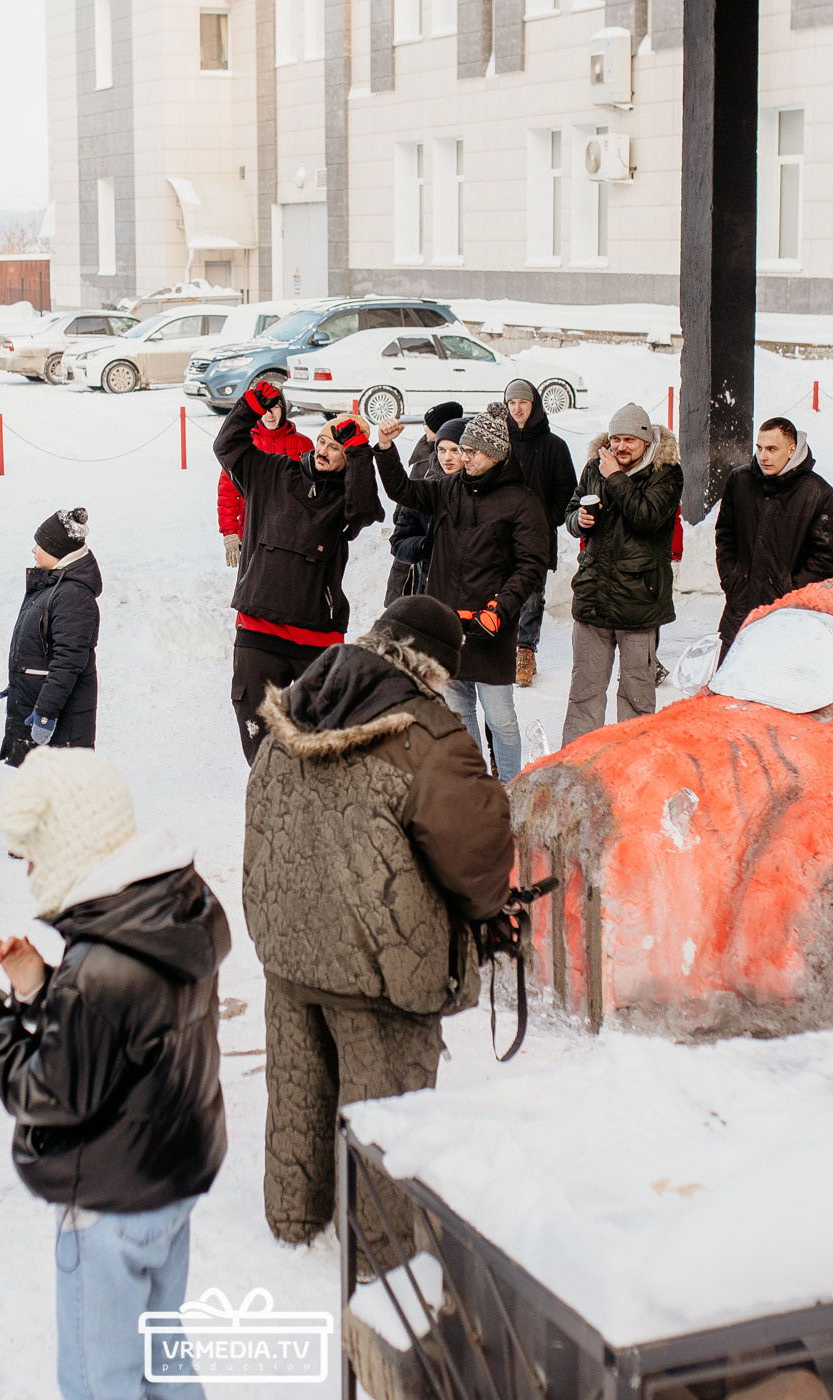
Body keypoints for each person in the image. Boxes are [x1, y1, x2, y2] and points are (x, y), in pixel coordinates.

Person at [0, 748, 228, 1400]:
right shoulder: (169, 910)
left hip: (110, 1200)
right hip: (172, 1180)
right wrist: (42, 987)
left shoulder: (101, 961)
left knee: (102, 1380)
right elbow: (122, 1038)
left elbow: (49, 1092)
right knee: (163, 1357)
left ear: (73, 844)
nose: (34, 872)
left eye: (36, 855)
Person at [242, 596, 513, 1256]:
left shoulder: (303, 697)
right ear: (434, 668)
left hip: (289, 941)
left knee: (299, 1089)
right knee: (385, 1102)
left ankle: (294, 1218)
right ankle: (381, 1251)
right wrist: (484, 916)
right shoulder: (427, 736)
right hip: (379, 956)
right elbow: (478, 854)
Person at [373, 412, 551, 783]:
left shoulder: (521, 501)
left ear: (495, 454)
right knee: (459, 711)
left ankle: (511, 787)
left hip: (489, 627)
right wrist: (386, 448)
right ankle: (474, 786)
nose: (463, 457)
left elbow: (532, 564)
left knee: (500, 719)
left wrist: (500, 609)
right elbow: (402, 491)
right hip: (447, 629)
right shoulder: (447, 489)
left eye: (471, 451)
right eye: (462, 449)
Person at [215, 378, 385, 764]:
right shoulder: (272, 472)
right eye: (323, 440)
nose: (325, 450)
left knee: (320, 737)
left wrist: (360, 455)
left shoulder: (346, 500)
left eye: (337, 447)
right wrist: (250, 405)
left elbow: (366, 509)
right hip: (259, 628)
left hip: (316, 634)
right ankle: (270, 800)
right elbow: (227, 447)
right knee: (257, 733)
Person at [563, 402, 684, 743]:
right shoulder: (594, 467)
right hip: (592, 598)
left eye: (629, 440)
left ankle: (633, 767)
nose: (620, 447)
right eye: (615, 439)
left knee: (636, 698)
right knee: (584, 694)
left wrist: (614, 476)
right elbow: (572, 509)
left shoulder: (666, 472)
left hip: (639, 602)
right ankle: (576, 765)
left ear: (646, 441)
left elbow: (646, 517)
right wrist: (579, 521)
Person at [715, 416, 833, 658]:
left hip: (788, 616)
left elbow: (827, 557)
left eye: (772, 449)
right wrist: (732, 580)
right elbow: (725, 535)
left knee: (773, 689)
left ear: (792, 449)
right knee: (727, 687)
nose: (763, 456)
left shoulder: (818, 493)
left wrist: (789, 592)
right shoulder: (740, 481)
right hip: (738, 610)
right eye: (759, 448)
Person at [1, 509, 102, 766]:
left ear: (58, 551)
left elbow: (68, 663)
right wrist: (22, 680)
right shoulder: (54, 585)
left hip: (63, 723)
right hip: (40, 704)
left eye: (41, 544)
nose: (33, 550)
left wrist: (45, 713)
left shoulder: (73, 596)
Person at [501, 381, 578, 688]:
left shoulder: (554, 445)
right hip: (501, 532)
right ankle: (501, 649)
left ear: (535, 405)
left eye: (523, 402)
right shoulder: (500, 442)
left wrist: (549, 519)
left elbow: (567, 490)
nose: (517, 408)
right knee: (500, 589)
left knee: (532, 595)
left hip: (538, 534)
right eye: (511, 403)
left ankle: (525, 651)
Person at [218, 393, 316, 568]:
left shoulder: (303, 444)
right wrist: (230, 532)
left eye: (275, 408)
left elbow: (313, 493)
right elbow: (228, 490)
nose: (269, 415)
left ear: (283, 409)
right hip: (252, 531)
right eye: (264, 410)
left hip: (290, 534)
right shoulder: (245, 445)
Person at [385, 403, 464, 603]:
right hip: (422, 580)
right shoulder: (427, 477)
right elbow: (400, 536)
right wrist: (423, 546)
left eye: (455, 450)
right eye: (442, 450)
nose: (447, 457)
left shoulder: (482, 492)